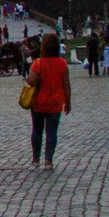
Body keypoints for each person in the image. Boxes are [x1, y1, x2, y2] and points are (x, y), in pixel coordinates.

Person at [28, 32, 71, 168]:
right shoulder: (62, 63)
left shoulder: (38, 63)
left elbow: (32, 82)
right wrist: (68, 101)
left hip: (39, 102)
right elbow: (66, 84)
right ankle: (48, 160)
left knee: (37, 130)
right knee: (52, 131)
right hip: (56, 102)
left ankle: (35, 158)